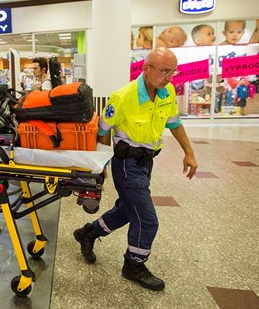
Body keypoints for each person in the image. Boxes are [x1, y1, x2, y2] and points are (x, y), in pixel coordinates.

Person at [73, 47, 198, 291]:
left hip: (147, 162)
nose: (169, 77)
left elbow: (174, 123)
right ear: (146, 69)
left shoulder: (167, 91)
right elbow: (102, 130)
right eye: (164, 71)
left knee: (129, 210)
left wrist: (189, 152)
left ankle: (88, 232)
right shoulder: (123, 97)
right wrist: (100, 165)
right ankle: (134, 265)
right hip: (126, 165)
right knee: (147, 220)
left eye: (173, 72)